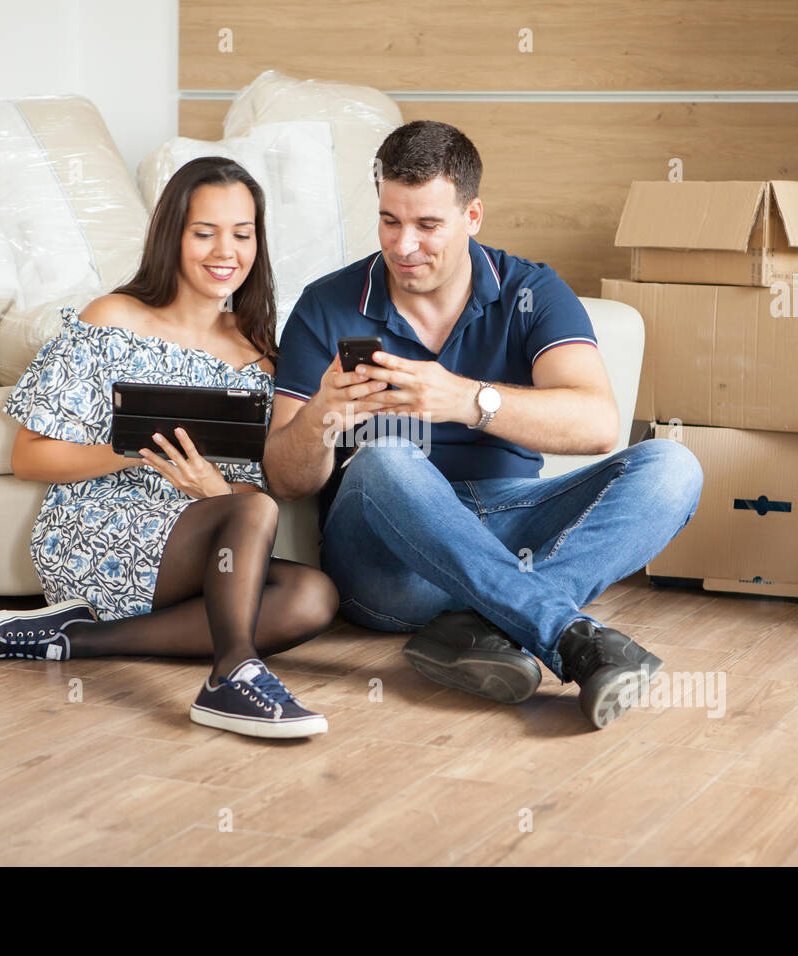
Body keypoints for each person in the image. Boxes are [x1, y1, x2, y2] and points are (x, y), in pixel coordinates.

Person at [263, 121, 703, 730]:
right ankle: (562, 631)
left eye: (427, 225)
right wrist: (319, 417)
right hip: (393, 567)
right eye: (390, 221)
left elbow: (600, 424)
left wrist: (468, 400)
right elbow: (285, 481)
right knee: (387, 457)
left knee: (672, 465)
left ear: (472, 216)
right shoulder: (327, 303)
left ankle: (487, 623)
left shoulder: (531, 291)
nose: (404, 245)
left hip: (511, 529)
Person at [0, 157, 339, 740]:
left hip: (202, 546)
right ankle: (231, 674)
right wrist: (138, 449)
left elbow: (259, 488)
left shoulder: (263, 350)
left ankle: (72, 637)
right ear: (172, 236)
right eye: (204, 233)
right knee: (253, 510)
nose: (225, 252)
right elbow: (29, 457)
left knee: (312, 596)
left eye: (242, 234)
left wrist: (217, 490)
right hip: (100, 535)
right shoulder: (113, 319)